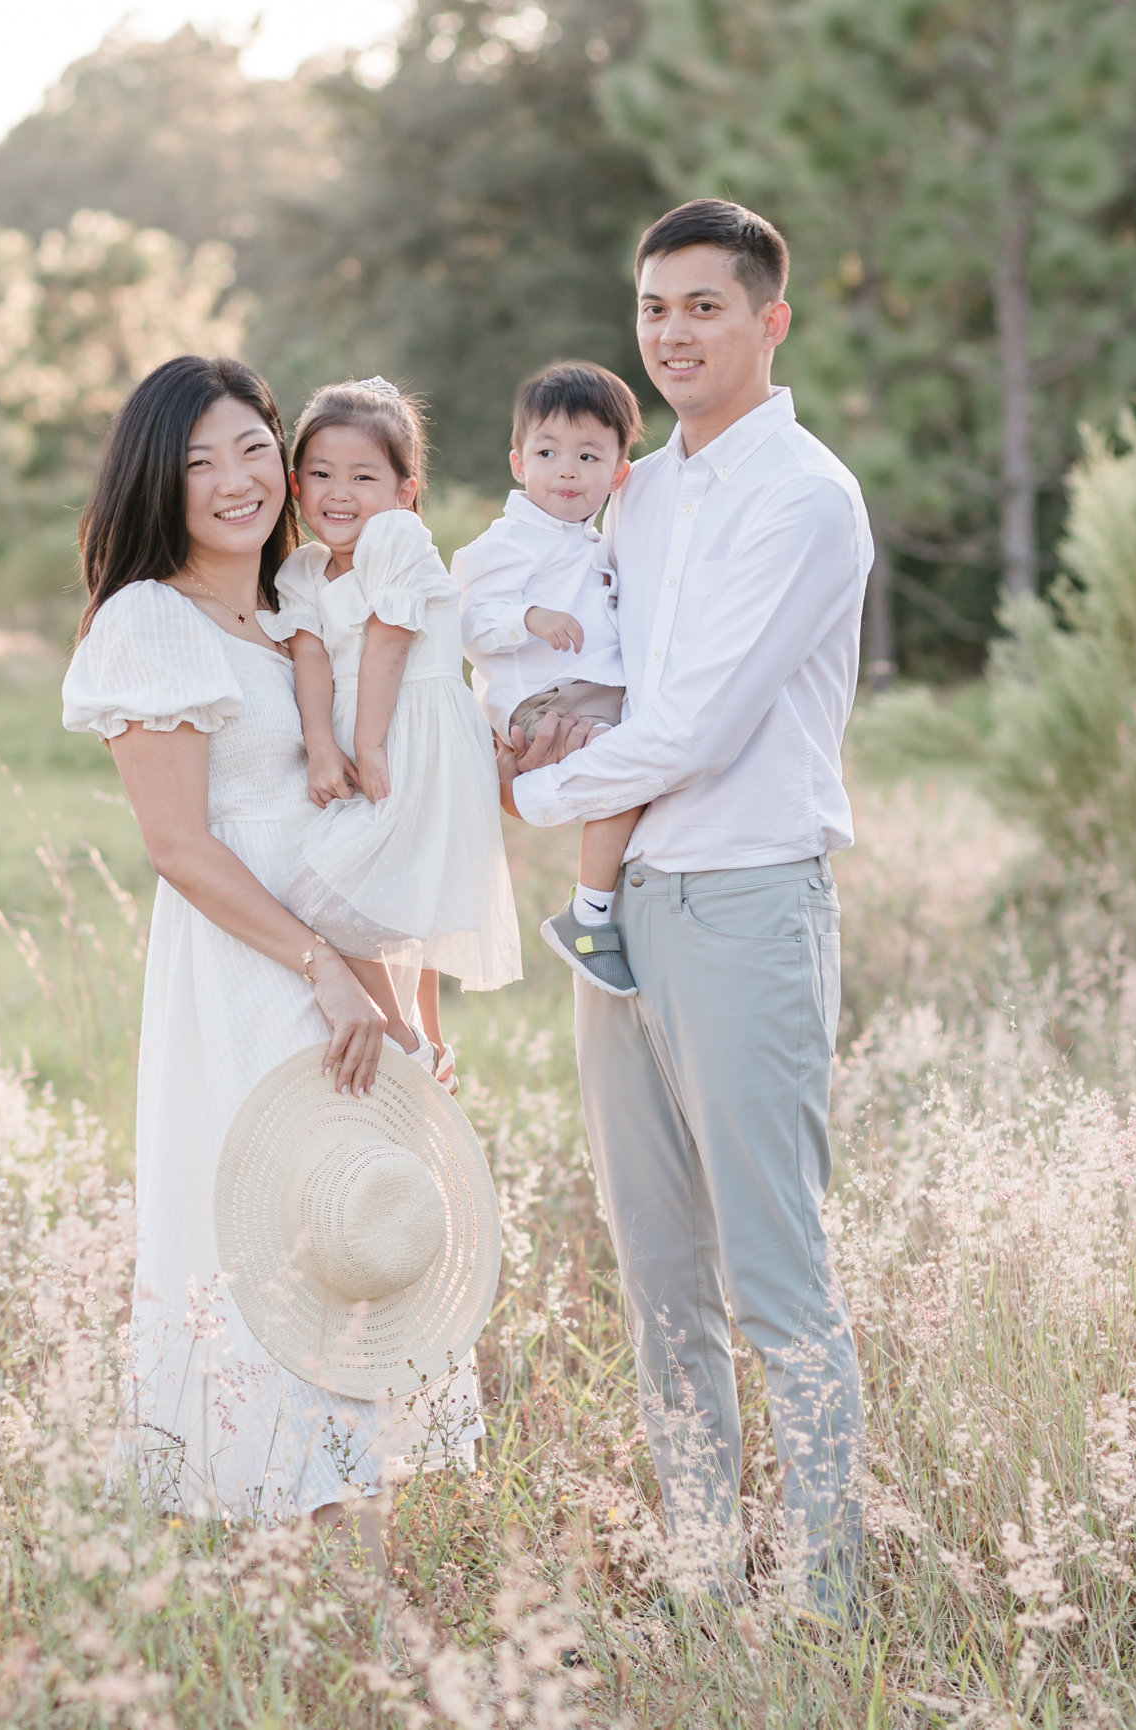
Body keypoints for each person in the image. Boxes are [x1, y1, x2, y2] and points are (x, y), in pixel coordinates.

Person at [501, 201, 876, 1612]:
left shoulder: (804, 498)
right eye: (653, 307)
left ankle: (822, 1598)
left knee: (773, 1274)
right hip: (625, 912)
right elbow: (598, 675)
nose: (670, 332)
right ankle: (702, 1577)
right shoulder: (633, 491)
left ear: (768, 319)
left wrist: (527, 802)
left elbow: (699, 724)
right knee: (657, 1272)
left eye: (702, 306)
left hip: (741, 902)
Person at [59, 355, 481, 1569]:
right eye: (198, 460)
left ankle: (355, 1588)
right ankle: (282, 1582)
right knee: (269, 1249)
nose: (237, 480)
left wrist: (412, 994)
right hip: (256, 979)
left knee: (362, 1244)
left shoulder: (308, 610)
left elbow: (383, 828)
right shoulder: (153, 620)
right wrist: (319, 967)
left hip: (355, 976)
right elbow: (180, 846)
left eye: (253, 447)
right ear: (158, 480)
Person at [264, 378, 522, 1079]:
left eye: (363, 476)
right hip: (356, 737)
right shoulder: (303, 570)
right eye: (319, 474)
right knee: (387, 896)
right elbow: (309, 658)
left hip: (414, 735)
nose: (338, 492)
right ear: (294, 484)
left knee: (325, 890)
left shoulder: (396, 538)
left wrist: (368, 744)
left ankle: (404, 1040)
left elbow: (388, 640)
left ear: (406, 490)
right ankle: (427, 1046)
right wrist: (323, 746)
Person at [453, 360, 647, 998]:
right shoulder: (510, 541)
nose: (567, 469)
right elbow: (470, 621)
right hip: (543, 704)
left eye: (589, 455)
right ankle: (590, 914)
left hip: (595, 696)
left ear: (618, 474)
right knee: (630, 771)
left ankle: (598, 904)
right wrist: (528, 618)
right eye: (548, 451)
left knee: (642, 773)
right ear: (518, 464)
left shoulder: (600, 542)